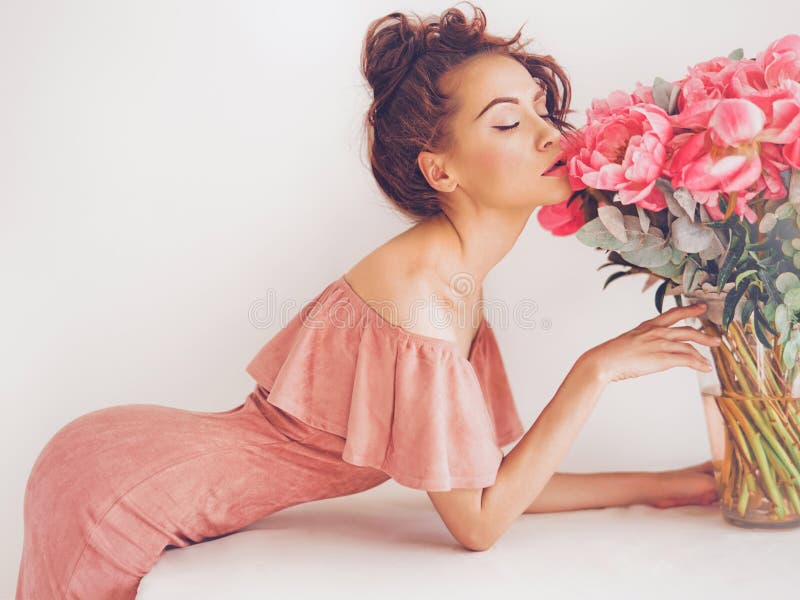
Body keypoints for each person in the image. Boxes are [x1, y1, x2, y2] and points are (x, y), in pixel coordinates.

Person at [15, 3, 722, 598]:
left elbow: (492, 485)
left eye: (542, 110)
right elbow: (478, 524)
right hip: (125, 491)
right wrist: (595, 370)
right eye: (507, 123)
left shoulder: (451, 279)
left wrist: (670, 484)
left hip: (131, 454)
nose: (549, 133)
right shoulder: (421, 297)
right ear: (439, 169)